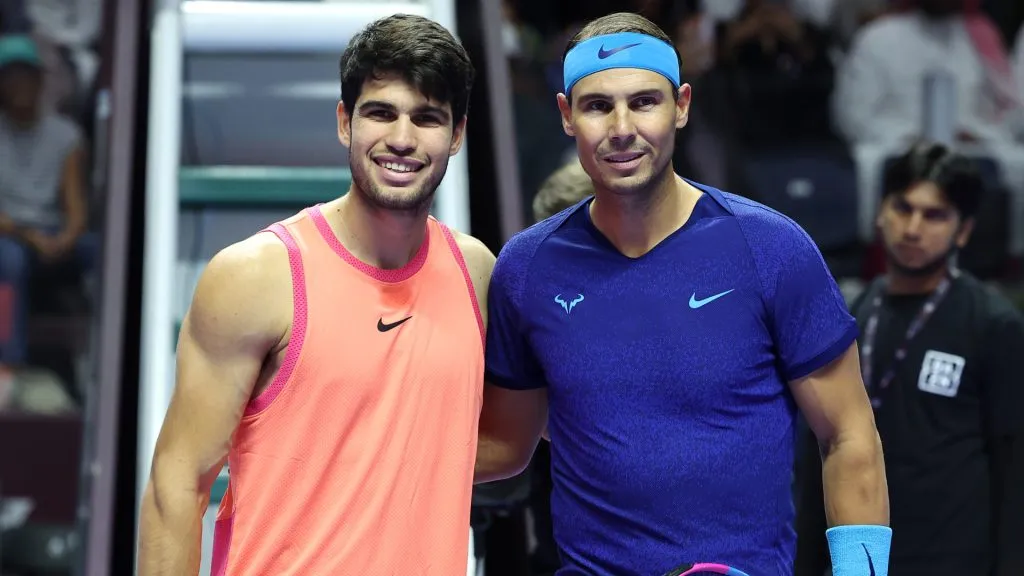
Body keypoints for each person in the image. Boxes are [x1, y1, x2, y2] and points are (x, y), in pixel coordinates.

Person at [475, 12, 890, 576]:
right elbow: (506, 445)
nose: (622, 127)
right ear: (566, 116)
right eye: (598, 106)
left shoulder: (770, 248)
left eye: (645, 101)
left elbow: (848, 433)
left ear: (683, 106)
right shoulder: (527, 268)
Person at [138, 14, 494, 575]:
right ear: (344, 123)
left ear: (456, 135)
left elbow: (502, 444)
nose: (402, 138)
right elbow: (177, 482)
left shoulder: (477, 273)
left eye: (427, 118)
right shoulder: (254, 276)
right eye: (381, 112)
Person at [795, 142, 1024, 576]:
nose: (913, 228)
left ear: (963, 231)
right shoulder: (849, 317)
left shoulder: (993, 325)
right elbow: (818, 453)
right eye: (903, 208)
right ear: (881, 212)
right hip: (865, 561)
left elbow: (1014, 470)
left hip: (955, 561)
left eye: (935, 215)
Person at [0, 34, 90, 398]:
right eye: (10, 77)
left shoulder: (65, 134)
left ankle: (105, 352)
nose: (19, 85)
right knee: (10, 259)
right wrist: (27, 234)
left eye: (26, 75)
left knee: (101, 253)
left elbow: (76, 205)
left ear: (40, 81)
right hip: (10, 236)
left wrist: (68, 236)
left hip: (51, 236)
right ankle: (8, 364)